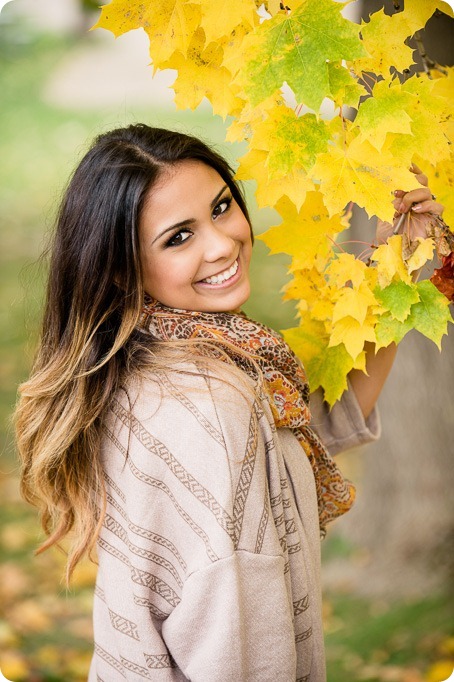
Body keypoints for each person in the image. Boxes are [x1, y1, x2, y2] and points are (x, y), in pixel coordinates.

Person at [15, 124, 444, 681]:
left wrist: (395, 269)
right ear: (121, 268)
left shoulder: (160, 356)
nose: (221, 244)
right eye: (178, 237)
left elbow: (306, 430)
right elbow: (241, 650)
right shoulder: (212, 410)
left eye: (221, 207)